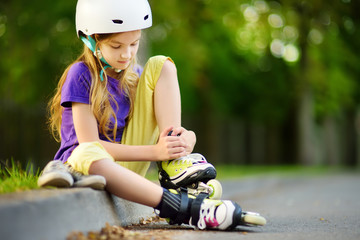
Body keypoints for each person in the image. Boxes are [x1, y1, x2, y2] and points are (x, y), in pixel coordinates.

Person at [38, 0, 245, 230]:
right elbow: (90, 144)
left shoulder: (135, 76)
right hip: (87, 164)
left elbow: (152, 125)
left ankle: (173, 168)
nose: (126, 54)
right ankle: (182, 207)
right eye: (116, 46)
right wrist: (154, 151)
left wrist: (182, 140)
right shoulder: (81, 74)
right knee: (87, 150)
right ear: (92, 39)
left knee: (161, 64)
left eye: (134, 44)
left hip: (125, 165)